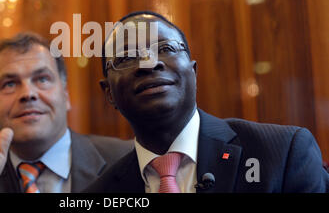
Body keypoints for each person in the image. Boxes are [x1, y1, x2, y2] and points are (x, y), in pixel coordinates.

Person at [85, 11, 329, 193]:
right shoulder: (100, 192)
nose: (150, 64)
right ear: (109, 93)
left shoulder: (282, 153)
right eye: (127, 57)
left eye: (166, 48)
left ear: (193, 71)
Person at [0, 32, 132, 193]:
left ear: (66, 96)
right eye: (10, 84)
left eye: (42, 79)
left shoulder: (127, 160)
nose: (28, 94)